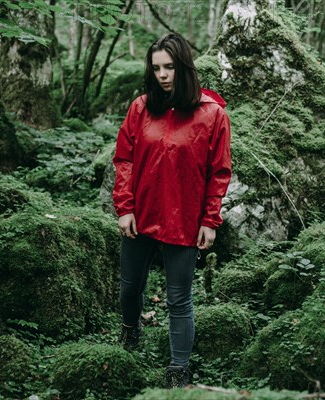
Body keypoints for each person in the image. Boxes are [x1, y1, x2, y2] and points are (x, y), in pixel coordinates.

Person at [112, 32, 231, 389]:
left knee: (179, 299)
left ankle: (179, 369)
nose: (163, 75)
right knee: (129, 288)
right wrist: (124, 207)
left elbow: (219, 171)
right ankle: (130, 332)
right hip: (141, 214)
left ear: (185, 67)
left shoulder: (212, 114)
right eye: (157, 68)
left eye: (170, 67)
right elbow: (125, 159)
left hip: (184, 219)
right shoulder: (141, 107)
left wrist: (210, 220)